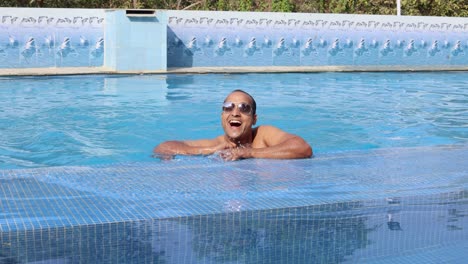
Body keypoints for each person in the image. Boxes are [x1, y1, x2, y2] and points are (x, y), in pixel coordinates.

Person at [153, 89, 313, 161]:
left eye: (244, 108)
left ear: (254, 119)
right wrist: (211, 151)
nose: (235, 113)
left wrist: (248, 153)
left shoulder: (263, 135)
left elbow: (302, 148)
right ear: (223, 116)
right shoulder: (218, 144)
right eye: (228, 107)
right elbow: (164, 147)